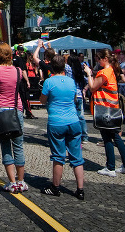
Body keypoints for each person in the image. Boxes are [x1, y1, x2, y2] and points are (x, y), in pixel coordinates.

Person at [40, 55, 85, 199]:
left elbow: (42, 100)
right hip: (73, 121)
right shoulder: (71, 82)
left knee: (58, 156)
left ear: (52, 67)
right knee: (77, 157)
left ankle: (55, 187)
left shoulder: (49, 82)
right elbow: (73, 99)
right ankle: (80, 189)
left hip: (56, 122)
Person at [85, 49, 125, 176]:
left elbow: (92, 87)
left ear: (105, 59)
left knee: (108, 138)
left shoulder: (104, 72)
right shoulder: (112, 69)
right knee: (116, 137)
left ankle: (110, 167)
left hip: (105, 108)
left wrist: (89, 74)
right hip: (112, 107)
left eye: (98, 58)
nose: (97, 61)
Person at [0, 42, 28, 192]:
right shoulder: (17, 70)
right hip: (16, 109)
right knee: (19, 146)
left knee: (5, 147)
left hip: (1, 110)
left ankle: (12, 182)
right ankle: (21, 181)